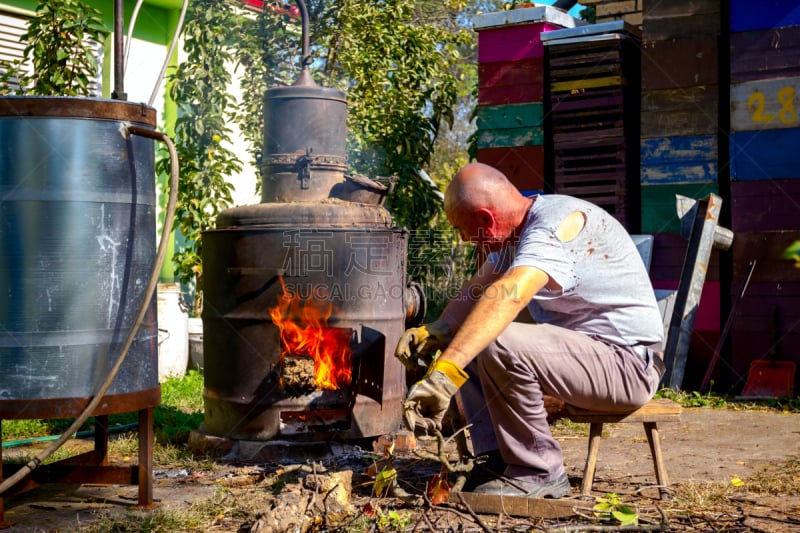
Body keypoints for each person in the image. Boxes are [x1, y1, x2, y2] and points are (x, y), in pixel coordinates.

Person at [396, 162, 665, 498]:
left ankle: (538, 472)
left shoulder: (551, 226)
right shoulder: (513, 237)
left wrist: (446, 372)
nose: (464, 239)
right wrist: (437, 330)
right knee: (472, 332)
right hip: (594, 357)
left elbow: (509, 293)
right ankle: (499, 460)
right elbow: (477, 291)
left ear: (485, 219)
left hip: (629, 365)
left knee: (494, 337)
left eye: (463, 229)